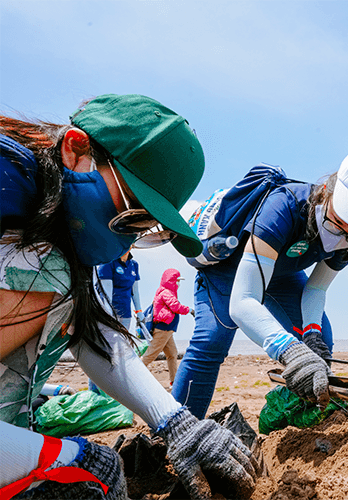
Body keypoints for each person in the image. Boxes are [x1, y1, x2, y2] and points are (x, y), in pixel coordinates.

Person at [0, 94, 259, 500]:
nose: (128, 235)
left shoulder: (50, 219)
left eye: (144, 226)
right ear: (76, 148)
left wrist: (174, 421)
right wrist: (59, 458)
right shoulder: (10, 192)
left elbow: (95, 329)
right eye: (132, 213)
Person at [172, 143, 348, 418]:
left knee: (321, 339)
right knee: (213, 340)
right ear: (327, 193)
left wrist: (310, 332)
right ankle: (179, 428)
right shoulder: (283, 206)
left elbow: (317, 287)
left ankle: (298, 419)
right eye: (340, 223)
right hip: (230, 269)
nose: (344, 237)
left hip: (281, 274)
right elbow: (243, 302)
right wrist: (287, 349)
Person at [90, 249, 144, 394]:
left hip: (125, 315)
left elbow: (135, 292)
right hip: (106, 314)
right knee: (103, 350)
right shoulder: (108, 263)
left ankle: (113, 389)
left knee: (118, 352)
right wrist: (110, 318)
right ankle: (94, 391)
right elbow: (106, 294)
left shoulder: (134, 265)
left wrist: (140, 313)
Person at [142, 268, 194, 385]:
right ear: (172, 281)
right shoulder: (166, 293)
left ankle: (174, 381)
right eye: (177, 281)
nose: (178, 283)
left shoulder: (166, 292)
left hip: (167, 330)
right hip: (163, 329)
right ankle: (133, 376)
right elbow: (175, 306)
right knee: (150, 355)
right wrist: (190, 310)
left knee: (172, 353)